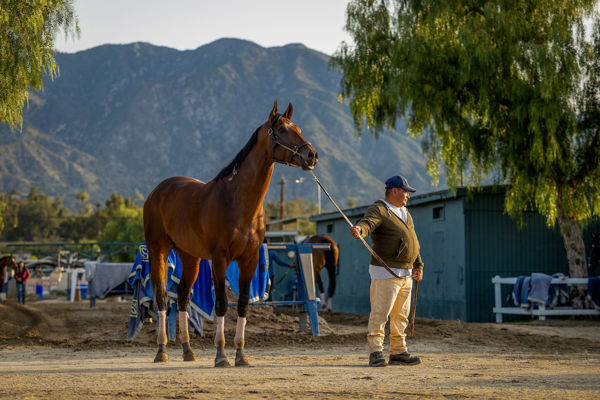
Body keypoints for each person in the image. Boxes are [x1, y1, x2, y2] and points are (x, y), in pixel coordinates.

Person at [350, 175, 424, 367]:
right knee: (380, 313)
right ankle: (375, 352)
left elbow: (413, 240)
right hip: (386, 272)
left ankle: (399, 352)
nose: (408, 195)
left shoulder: (405, 213)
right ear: (394, 191)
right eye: (405, 191)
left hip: (407, 273)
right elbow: (368, 223)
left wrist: (418, 264)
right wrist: (360, 229)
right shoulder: (380, 208)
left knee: (401, 316)